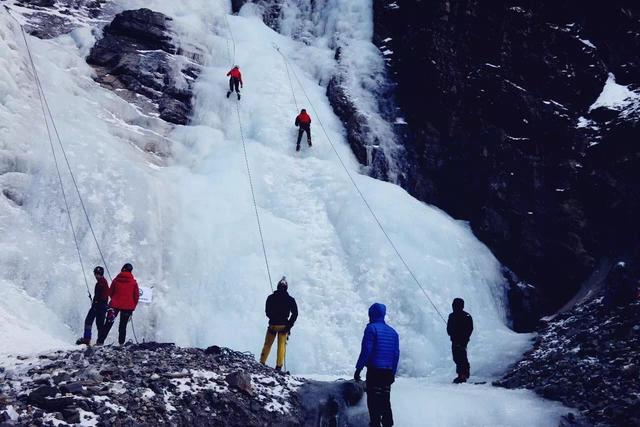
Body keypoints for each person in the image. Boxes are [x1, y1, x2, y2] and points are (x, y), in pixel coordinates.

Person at [354, 303, 400, 427]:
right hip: (387, 372)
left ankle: (375, 424)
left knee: (373, 400)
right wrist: (392, 373)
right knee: (385, 400)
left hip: (375, 371)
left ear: (371, 314)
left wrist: (358, 369)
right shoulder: (393, 332)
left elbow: (366, 350)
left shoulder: (371, 329)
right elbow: (396, 355)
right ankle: (388, 424)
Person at [259, 277, 298, 371]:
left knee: (267, 344)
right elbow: (295, 313)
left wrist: (272, 318)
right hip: (283, 326)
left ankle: (262, 362)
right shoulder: (290, 299)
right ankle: (279, 367)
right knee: (281, 346)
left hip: (272, 325)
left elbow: (267, 311)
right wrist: (289, 325)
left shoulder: (270, 297)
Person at [96, 263, 140, 345]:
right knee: (123, 326)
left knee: (108, 323)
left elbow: (110, 292)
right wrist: (132, 307)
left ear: (123, 269)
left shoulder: (116, 280)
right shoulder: (134, 283)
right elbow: (136, 296)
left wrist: (115, 299)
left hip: (114, 306)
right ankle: (121, 343)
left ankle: (100, 342)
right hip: (127, 307)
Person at [76, 266, 110, 345]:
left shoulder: (100, 283)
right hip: (103, 306)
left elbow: (98, 296)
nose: (96, 276)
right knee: (100, 324)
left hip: (98, 306)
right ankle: (100, 341)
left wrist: (95, 303)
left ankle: (87, 339)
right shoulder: (104, 282)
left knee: (88, 321)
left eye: (96, 274)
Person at [447, 297, 473, 384]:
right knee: (457, 357)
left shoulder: (466, 316)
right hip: (456, 340)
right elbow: (449, 328)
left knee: (461, 357)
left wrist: (464, 338)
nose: (454, 307)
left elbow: (470, 329)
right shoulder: (452, 316)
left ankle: (463, 375)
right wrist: (452, 334)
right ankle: (462, 374)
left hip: (462, 340)